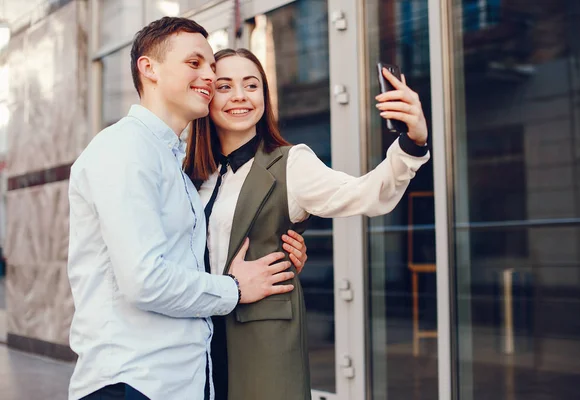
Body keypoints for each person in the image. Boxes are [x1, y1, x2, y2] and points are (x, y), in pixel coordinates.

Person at [67, 18, 307, 400]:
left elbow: (184, 263)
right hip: (131, 382)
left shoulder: (172, 164)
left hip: (173, 382)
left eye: (212, 66)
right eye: (194, 63)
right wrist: (234, 288)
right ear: (150, 69)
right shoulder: (125, 151)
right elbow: (144, 280)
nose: (209, 76)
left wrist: (274, 250)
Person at [184, 48, 431, 400]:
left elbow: (366, 193)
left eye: (251, 85)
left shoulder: (291, 163)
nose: (240, 96)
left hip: (263, 341)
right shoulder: (190, 172)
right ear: (207, 98)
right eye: (224, 86)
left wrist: (412, 142)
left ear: (265, 98)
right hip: (196, 341)